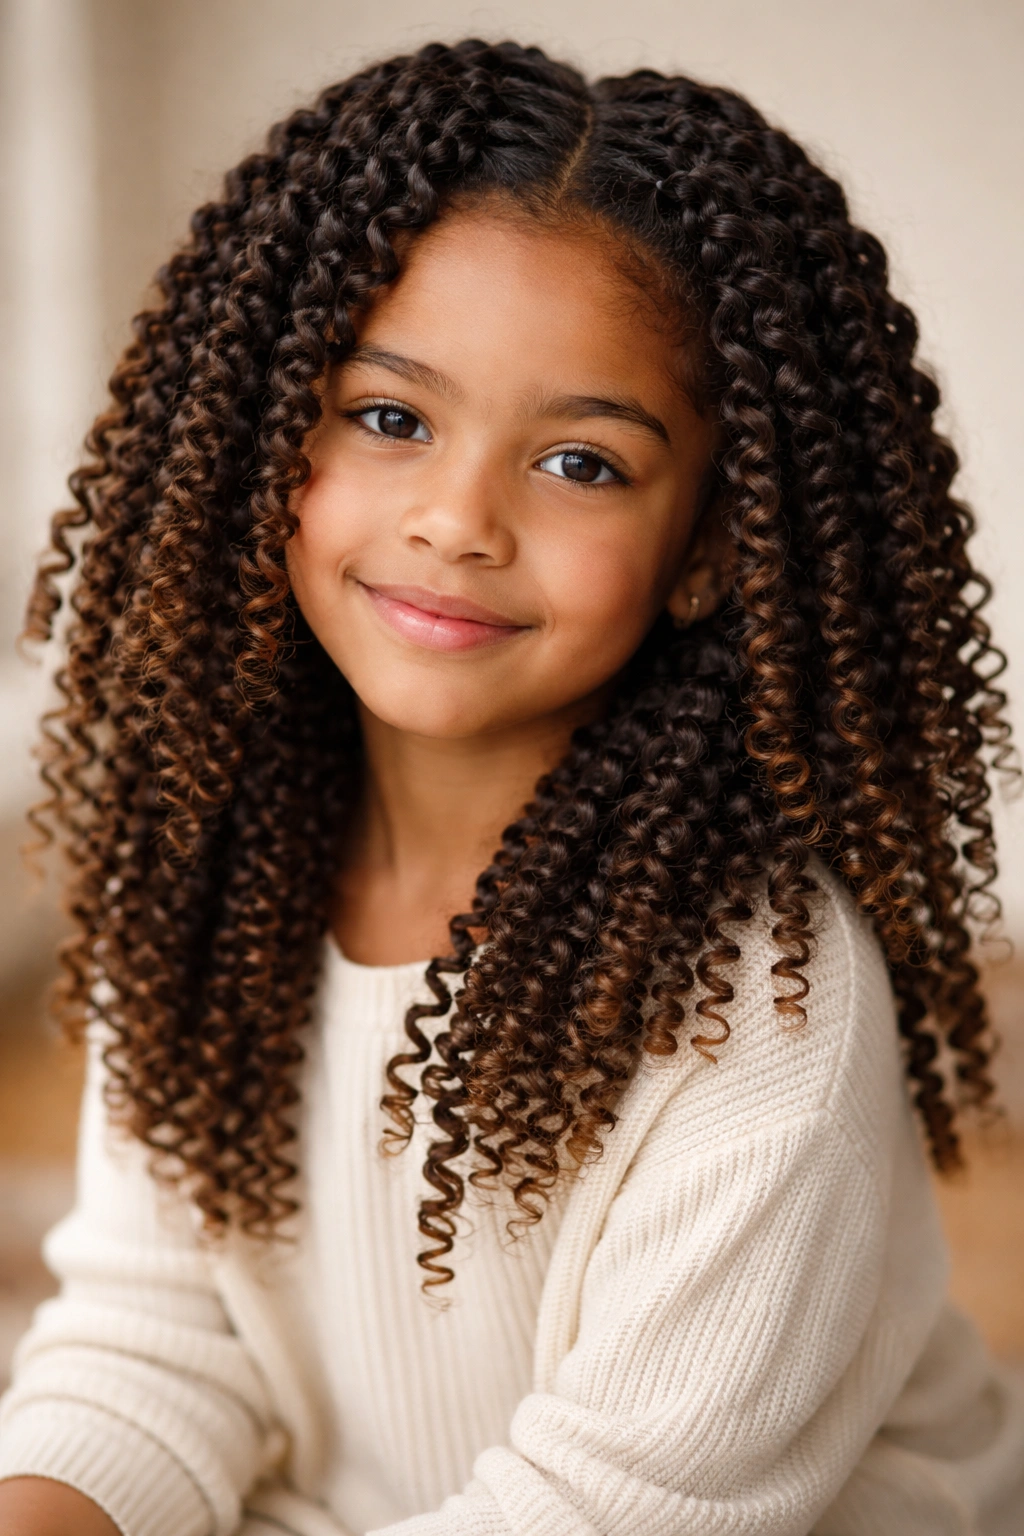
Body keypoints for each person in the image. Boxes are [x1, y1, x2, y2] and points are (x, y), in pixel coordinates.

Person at [0, 37, 1021, 1536]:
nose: (459, 520)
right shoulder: (209, 864)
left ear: (716, 550)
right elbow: (154, 1342)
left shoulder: (763, 1008)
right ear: (263, 428)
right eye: (392, 417)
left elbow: (606, 1513)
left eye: (584, 464)